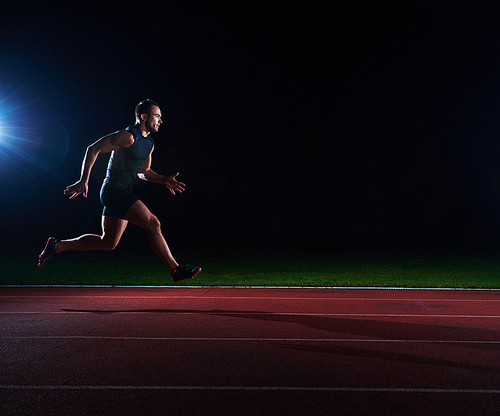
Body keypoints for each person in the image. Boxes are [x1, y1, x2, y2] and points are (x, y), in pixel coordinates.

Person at [38, 99, 201, 283]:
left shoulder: (149, 144)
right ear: (144, 116)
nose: (160, 120)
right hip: (114, 191)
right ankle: (175, 270)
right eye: (157, 116)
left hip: (122, 191)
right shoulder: (128, 136)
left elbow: (143, 172)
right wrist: (84, 180)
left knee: (108, 243)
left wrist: (164, 179)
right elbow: (93, 148)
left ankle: (57, 246)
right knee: (153, 223)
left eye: (161, 117)